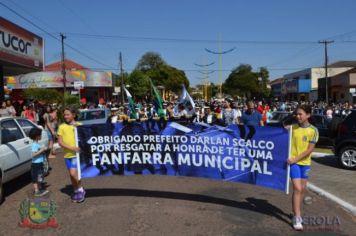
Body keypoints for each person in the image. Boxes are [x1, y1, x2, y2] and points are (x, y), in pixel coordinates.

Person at [287, 104, 319, 231]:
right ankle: (297, 216)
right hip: (293, 162)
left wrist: (296, 158)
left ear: (308, 115)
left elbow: (309, 150)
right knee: (297, 188)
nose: (298, 116)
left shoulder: (314, 130)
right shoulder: (292, 128)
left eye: (300, 114)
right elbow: (279, 134)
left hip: (305, 163)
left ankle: (296, 210)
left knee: (301, 190)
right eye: (296, 114)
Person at [57, 107, 85, 203]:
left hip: (76, 155)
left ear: (73, 115)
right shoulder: (61, 127)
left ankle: (81, 189)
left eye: (68, 114)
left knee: (74, 173)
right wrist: (71, 148)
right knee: (71, 175)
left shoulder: (79, 125)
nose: (65, 116)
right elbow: (60, 142)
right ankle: (76, 190)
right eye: (64, 115)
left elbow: (84, 139)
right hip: (67, 155)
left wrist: (79, 148)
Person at [29, 128, 49, 197]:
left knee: (40, 176)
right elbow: (33, 155)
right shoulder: (34, 145)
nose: (41, 136)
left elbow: (38, 153)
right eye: (40, 135)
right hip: (36, 164)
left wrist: (42, 150)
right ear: (37, 136)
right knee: (36, 177)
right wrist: (42, 150)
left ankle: (40, 189)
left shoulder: (37, 144)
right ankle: (37, 191)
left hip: (39, 163)